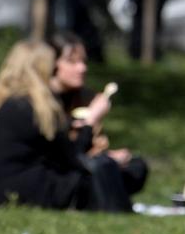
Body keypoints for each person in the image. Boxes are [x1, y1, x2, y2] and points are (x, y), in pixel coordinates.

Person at [0, 40, 136, 212]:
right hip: (5, 191)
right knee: (103, 178)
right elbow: (72, 159)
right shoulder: (37, 107)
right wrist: (91, 120)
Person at [47, 32, 147, 205]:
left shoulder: (84, 97)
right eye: (72, 62)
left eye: (83, 61)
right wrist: (92, 118)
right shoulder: (43, 103)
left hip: (83, 166)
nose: (82, 68)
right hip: (60, 175)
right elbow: (71, 157)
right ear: (52, 64)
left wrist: (107, 156)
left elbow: (91, 147)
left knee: (137, 167)